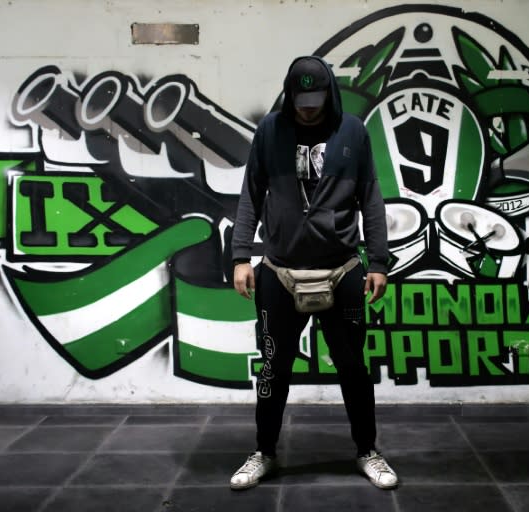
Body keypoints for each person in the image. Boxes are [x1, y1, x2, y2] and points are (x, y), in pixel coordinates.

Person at [228, 56, 397, 490]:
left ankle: (367, 450)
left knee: (352, 369)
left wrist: (378, 260)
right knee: (273, 369)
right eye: (300, 100)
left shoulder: (352, 132)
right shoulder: (270, 130)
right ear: (289, 94)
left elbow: (371, 195)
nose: (307, 108)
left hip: (341, 270)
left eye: (315, 99)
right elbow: (251, 191)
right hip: (279, 272)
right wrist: (240, 256)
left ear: (329, 93)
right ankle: (264, 451)